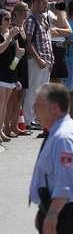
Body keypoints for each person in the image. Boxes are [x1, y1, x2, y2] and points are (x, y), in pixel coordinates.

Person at [29, 83, 73, 234]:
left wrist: (53, 214)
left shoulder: (64, 138)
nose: (34, 108)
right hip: (57, 207)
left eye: (39, 104)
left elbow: (66, 180)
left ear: (54, 108)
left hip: (63, 214)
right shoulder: (57, 131)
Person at [24, 0, 54, 130]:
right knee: (33, 91)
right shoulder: (31, 20)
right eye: (43, 2)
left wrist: (50, 59)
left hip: (47, 61)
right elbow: (28, 44)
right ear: (35, 3)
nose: (46, 4)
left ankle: (36, 119)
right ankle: (28, 120)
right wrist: (39, 60)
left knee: (42, 93)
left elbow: (47, 41)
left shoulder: (44, 19)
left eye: (46, 2)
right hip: (37, 62)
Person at [4, 2, 31, 137]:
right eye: (25, 10)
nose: (27, 13)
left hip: (23, 63)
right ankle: (7, 126)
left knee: (19, 97)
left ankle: (15, 125)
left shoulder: (22, 27)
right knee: (12, 98)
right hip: (15, 63)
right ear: (18, 12)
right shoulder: (13, 27)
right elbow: (13, 48)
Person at [0, 10, 24, 142]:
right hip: (1, 73)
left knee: (5, 105)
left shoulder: (12, 34)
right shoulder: (6, 35)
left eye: (10, 19)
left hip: (10, 72)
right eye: (6, 19)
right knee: (1, 103)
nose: (10, 21)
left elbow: (15, 57)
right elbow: (1, 49)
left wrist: (19, 55)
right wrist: (9, 37)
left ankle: (1, 129)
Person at [47, 0, 72, 83]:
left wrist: (57, 30)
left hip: (61, 49)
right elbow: (50, 32)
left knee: (58, 78)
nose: (59, 0)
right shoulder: (47, 12)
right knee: (50, 77)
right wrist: (62, 31)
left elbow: (69, 31)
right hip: (51, 46)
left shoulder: (61, 13)